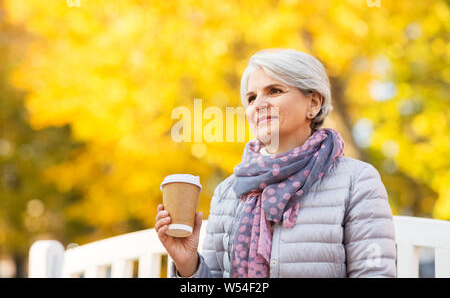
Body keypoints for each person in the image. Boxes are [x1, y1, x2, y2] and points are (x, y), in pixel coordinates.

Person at [155, 49, 397, 278]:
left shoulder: (356, 180)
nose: (258, 104)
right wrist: (187, 265)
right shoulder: (229, 192)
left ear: (313, 104)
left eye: (274, 91)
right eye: (251, 98)